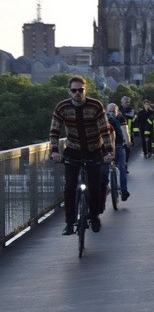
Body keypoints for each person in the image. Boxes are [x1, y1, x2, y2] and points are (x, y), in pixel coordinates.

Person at [49, 76, 114, 234]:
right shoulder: (62, 107)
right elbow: (55, 130)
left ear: (85, 90)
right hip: (73, 150)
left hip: (94, 149)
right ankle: (70, 223)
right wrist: (55, 151)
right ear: (69, 91)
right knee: (70, 187)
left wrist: (108, 151)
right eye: (74, 90)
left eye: (80, 90)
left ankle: (95, 216)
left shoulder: (95, 105)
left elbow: (104, 130)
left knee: (95, 187)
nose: (77, 93)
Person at [105, 103, 130, 202]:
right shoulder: (104, 119)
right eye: (109, 111)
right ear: (107, 111)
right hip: (108, 147)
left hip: (118, 145)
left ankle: (124, 191)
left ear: (117, 111)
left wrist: (127, 141)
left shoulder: (121, 118)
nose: (111, 113)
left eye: (113, 111)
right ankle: (107, 187)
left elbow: (125, 131)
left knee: (122, 168)